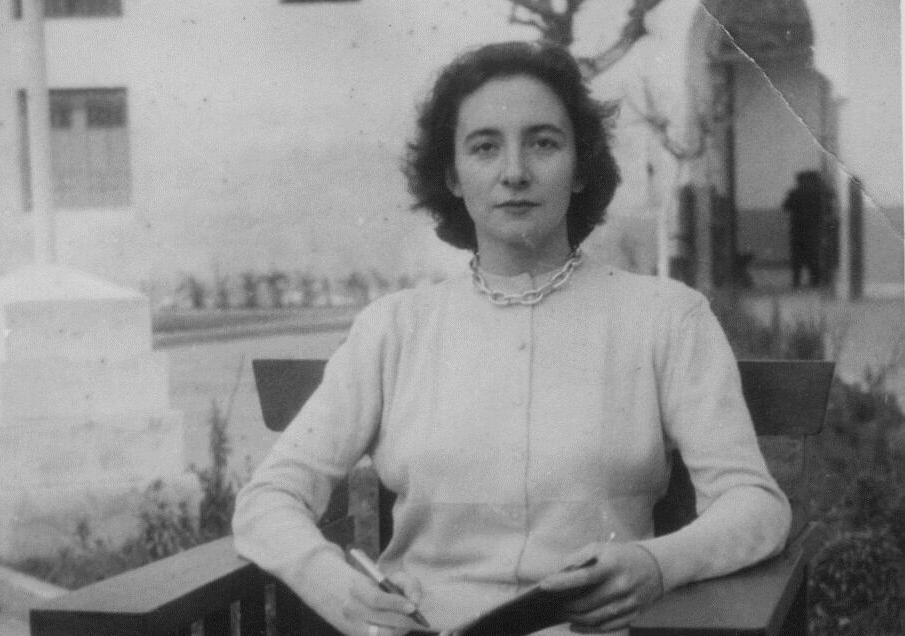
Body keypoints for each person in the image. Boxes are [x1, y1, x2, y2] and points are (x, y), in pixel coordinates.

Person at [233, 41, 791, 636]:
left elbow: (755, 503)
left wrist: (658, 564)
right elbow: (269, 498)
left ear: (581, 168)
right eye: (485, 147)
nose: (515, 172)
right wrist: (343, 591)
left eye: (543, 143)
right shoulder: (394, 329)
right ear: (452, 176)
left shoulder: (666, 317)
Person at [783, 170, 829, 288]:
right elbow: (826, 210)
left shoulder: (795, 193)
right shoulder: (819, 194)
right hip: (813, 229)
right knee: (813, 256)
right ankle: (815, 281)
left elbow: (786, 207)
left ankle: (796, 281)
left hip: (798, 229)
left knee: (797, 257)